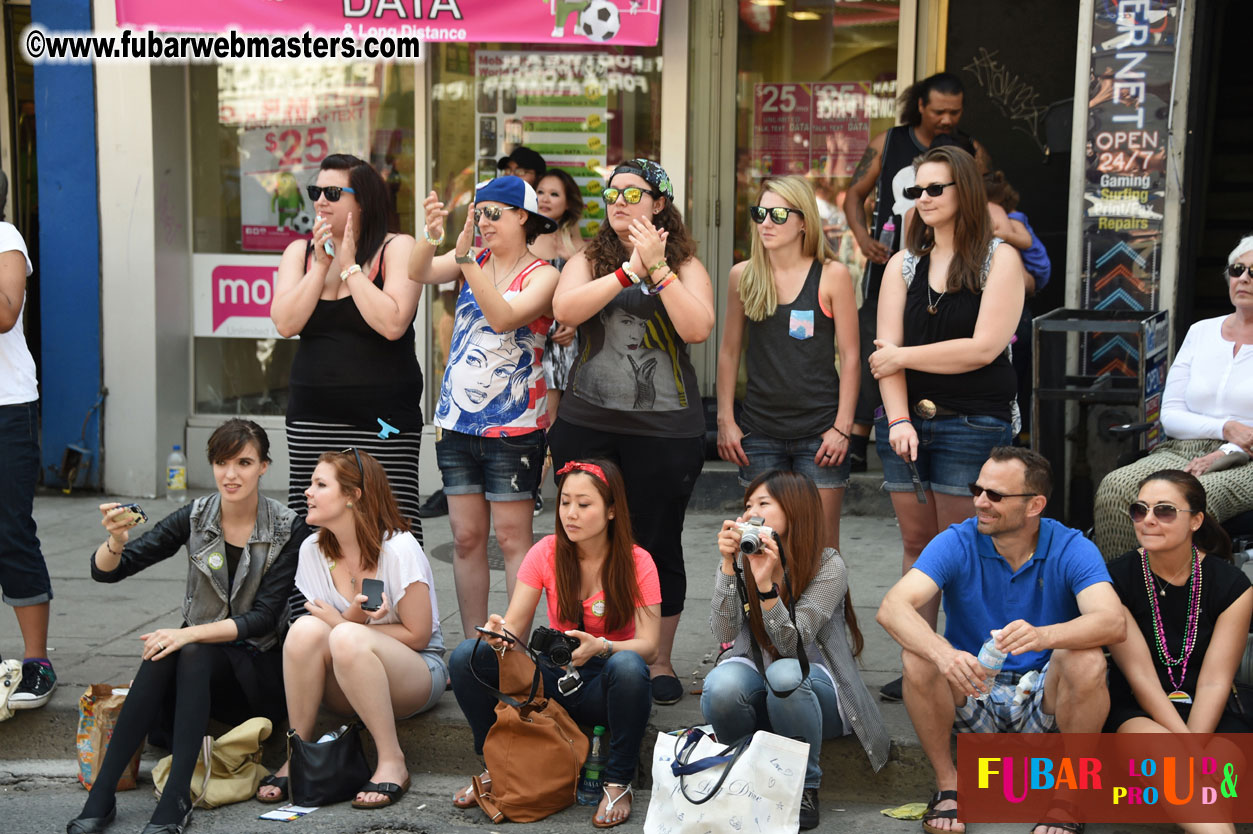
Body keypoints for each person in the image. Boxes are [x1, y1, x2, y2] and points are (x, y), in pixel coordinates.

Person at [68, 420, 307, 834]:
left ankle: (177, 796)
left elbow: (264, 618)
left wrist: (187, 633)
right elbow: (109, 572)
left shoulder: (288, 527)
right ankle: (102, 795)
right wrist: (117, 542)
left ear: (264, 466)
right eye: (221, 462)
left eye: (244, 463)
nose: (230, 475)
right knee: (168, 651)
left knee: (183, 646)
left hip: (256, 673)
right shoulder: (197, 516)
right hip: (198, 670)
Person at [876, 447, 1124, 834]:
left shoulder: (1071, 545)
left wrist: (1044, 636)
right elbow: (893, 608)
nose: (980, 502)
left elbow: (1112, 621)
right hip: (974, 686)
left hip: (1044, 698)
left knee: (1086, 658)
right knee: (918, 656)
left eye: (995, 495)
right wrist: (945, 655)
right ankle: (949, 787)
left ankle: (1070, 794)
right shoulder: (957, 540)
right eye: (978, 489)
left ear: (1034, 505)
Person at [549, 159, 715, 705]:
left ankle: (659, 658)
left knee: (658, 540)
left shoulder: (686, 263)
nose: (618, 201)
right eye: (611, 193)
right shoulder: (590, 258)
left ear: (659, 203)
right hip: (588, 426)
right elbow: (565, 306)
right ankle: (584, 648)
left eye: (632, 193)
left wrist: (658, 269)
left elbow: (698, 327)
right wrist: (626, 272)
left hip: (667, 432)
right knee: (582, 539)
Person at [869, 145, 1025, 701]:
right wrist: (896, 419)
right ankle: (922, 662)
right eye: (916, 191)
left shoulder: (998, 259)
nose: (924, 199)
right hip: (908, 425)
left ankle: (973, 663)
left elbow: (983, 349)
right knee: (918, 544)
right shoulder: (901, 264)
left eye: (936, 188)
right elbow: (882, 352)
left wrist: (903, 360)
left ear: (965, 191)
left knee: (968, 546)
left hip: (975, 422)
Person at [448, 459, 659, 828]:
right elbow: (513, 627)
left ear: (611, 510)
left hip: (604, 684)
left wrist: (602, 646)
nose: (570, 514)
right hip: (552, 679)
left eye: (584, 504)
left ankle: (618, 780)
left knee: (629, 667)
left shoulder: (637, 561)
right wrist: (498, 633)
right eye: (565, 503)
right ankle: (496, 766)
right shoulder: (546, 551)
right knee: (468, 655)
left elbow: (650, 646)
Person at [409, 176, 559, 639]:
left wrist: (464, 260)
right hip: (455, 423)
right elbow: (417, 271)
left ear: (523, 217)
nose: (484, 221)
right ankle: (473, 646)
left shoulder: (545, 273)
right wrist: (433, 234)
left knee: (514, 540)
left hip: (514, 427)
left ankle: (512, 646)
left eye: (494, 212)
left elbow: (503, 316)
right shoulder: (471, 262)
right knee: (466, 538)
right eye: (479, 212)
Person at [256, 449, 445, 810]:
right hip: (350, 676)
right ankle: (299, 752)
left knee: (338, 633)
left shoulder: (398, 547)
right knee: (303, 630)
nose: (307, 492)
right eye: (311, 484)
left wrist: (344, 624)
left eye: (320, 484)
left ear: (352, 496)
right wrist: (352, 620)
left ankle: (392, 759)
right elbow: (336, 636)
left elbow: (419, 636)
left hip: (417, 672)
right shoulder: (313, 550)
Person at [704, 471, 889, 831]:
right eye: (747, 505)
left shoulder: (827, 564)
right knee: (721, 684)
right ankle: (742, 775)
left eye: (763, 504)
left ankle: (805, 786)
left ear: (794, 509)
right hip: (758, 684)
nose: (750, 513)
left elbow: (793, 644)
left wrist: (766, 587)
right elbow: (723, 632)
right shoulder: (741, 556)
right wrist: (728, 568)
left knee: (784, 673)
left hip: (818, 694)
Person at [270, 154, 424, 535]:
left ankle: (387, 599)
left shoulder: (397, 248)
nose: (321, 200)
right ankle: (313, 598)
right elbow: (286, 323)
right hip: (312, 416)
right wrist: (321, 268)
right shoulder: (299, 254)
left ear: (363, 201)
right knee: (314, 524)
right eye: (315, 191)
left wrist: (350, 266)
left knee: (388, 525)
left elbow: (392, 323)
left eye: (333, 192)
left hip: (384, 421)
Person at [842, 73, 988, 472]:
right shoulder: (888, 143)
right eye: (938, 111)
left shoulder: (969, 149)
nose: (946, 119)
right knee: (878, 348)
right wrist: (862, 237)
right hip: (894, 266)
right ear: (920, 107)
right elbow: (854, 194)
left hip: (952, 267)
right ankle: (857, 437)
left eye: (954, 112)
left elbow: (988, 196)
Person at [716, 176, 859, 550]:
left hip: (821, 431)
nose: (766, 222)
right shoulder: (743, 276)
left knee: (822, 548)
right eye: (760, 213)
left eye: (779, 214)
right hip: (760, 431)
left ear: (804, 223)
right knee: (759, 543)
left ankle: (822, 613)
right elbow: (729, 352)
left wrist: (843, 427)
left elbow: (852, 356)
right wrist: (726, 420)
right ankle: (767, 612)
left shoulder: (832, 275)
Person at [1094, 236, 1253, 557]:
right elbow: (1171, 415)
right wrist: (1225, 427)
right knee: (1115, 487)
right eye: (1238, 269)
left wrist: (1227, 448)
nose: (1245, 278)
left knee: (1184, 501)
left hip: (1246, 460)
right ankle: (1119, 593)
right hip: (1181, 449)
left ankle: (1189, 600)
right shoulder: (1201, 332)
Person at [1105, 471, 1252, 803]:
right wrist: (1191, 752)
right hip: (1139, 709)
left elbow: (1216, 680)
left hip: (1216, 709)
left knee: (1214, 792)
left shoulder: (1232, 586)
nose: (1148, 520)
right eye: (1140, 510)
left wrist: (1194, 746)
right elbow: (1142, 678)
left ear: (1196, 521)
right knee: (1182, 778)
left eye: (1165, 511)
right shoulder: (1114, 579)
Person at [0, 214, 55, 712]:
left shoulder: (5, 238)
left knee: (11, 532)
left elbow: (4, 313)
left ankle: (37, 661)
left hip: (6, 408)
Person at [532, 168, 588, 513]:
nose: (545, 199)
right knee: (545, 416)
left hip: (572, 346)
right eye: (540, 191)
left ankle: (575, 488)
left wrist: (574, 323)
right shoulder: (526, 238)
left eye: (553, 193)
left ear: (568, 202)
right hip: (538, 342)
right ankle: (535, 487)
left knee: (573, 418)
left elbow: (589, 299)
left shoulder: (578, 246)